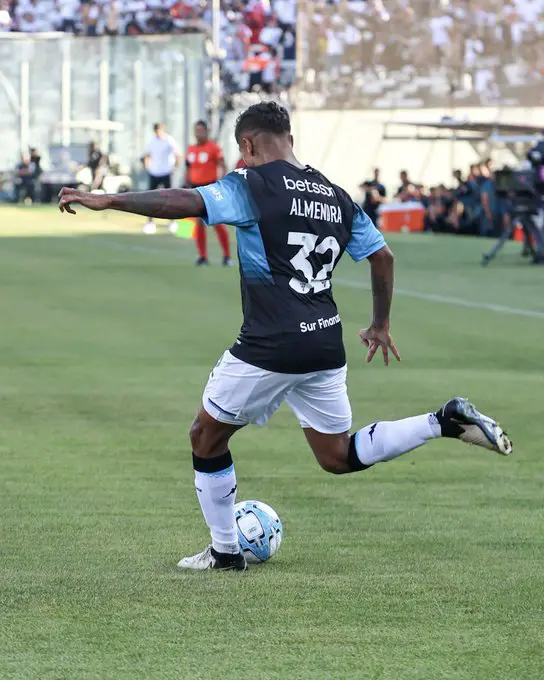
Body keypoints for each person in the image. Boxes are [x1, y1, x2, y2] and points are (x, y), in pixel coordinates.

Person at [58, 102, 513, 572]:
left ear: (249, 145)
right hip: (324, 343)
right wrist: (379, 324)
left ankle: (224, 552)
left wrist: (111, 199)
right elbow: (383, 257)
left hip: (270, 343)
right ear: (290, 138)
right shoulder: (336, 195)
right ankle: (445, 421)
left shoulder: (253, 184)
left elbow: (187, 201)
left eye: (243, 152)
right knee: (337, 455)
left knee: (206, 437)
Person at [185, 120, 231, 266]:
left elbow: (223, 166)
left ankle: (227, 256)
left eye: (200, 130)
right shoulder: (191, 149)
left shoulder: (214, 148)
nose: (198, 133)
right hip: (195, 189)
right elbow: (188, 168)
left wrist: (223, 183)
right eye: (196, 130)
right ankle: (203, 256)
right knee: (198, 223)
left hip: (210, 188)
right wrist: (186, 184)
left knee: (217, 222)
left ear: (206, 132)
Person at [141, 122, 181, 234]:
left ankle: (172, 222)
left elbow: (177, 154)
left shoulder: (169, 140)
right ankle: (149, 222)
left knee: (170, 198)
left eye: (159, 130)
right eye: (156, 130)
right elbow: (147, 155)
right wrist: (147, 165)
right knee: (151, 198)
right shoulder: (152, 141)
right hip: (154, 173)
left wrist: (175, 167)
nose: (158, 132)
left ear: (163, 130)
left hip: (166, 173)